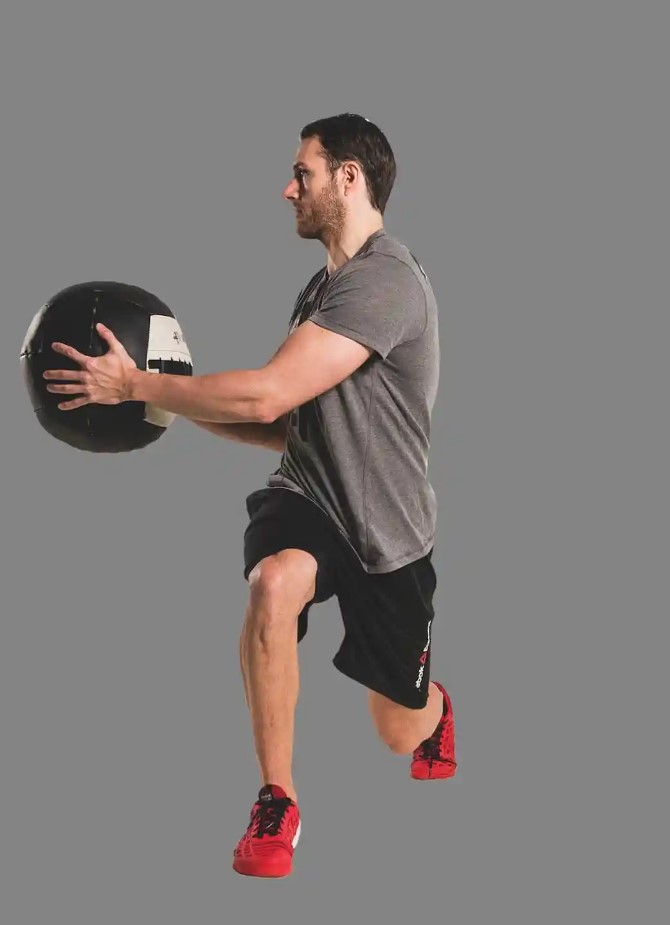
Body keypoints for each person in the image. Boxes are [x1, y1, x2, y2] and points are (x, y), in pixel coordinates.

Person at [43, 112, 457, 880]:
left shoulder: (386, 282)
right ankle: (277, 798)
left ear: (349, 177)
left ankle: (434, 706)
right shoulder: (322, 287)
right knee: (273, 582)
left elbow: (266, 395)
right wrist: (172, 406)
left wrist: (135, 383)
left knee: (399, 729)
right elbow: (287, 429)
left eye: (302, 172)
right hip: (308, 495)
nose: (287, 187)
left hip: (387, 530)